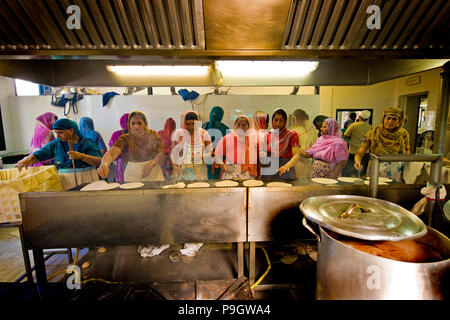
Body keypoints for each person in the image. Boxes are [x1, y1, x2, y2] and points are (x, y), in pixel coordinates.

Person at [17, 118, 102, 190]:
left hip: (86, 178)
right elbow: (39, 155)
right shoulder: (56, 144)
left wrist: (82, 156)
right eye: (56, 133)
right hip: (63, 180)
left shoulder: (86, 143)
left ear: (71, 130)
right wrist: (26, 160)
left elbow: (99, 161)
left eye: (61, 133)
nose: (58, 136)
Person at [97, 111, 165, 182]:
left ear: (145, 123)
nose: (136, 126)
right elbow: (111, 153)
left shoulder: (153, 135)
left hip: (154, 173)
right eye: (133, 123)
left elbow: (161, 152)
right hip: (133, 174)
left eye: (139, 123)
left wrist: (152, 164)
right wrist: (104, 164)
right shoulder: (125, 138)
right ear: (129, 125)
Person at [354, 107, 410, 182]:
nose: (390, 121)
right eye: (388, 118)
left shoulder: (403, 134)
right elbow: (361, 150)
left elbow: (407, 153)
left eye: (394, 119)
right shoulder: (374, 132)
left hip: (394, 170)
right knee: (373, 189)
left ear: (399, 121)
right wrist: (357, 161)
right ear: (383, 119)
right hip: (375, 166)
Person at [215, 115, 259, 180]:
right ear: (234, 125)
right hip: (230, 172)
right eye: (238, 124)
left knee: (246, 190)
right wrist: (223, 167)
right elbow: (217, 155)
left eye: (244, 125)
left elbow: (258, 160)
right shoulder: (227, 139)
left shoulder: (253, 141)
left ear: (248, 127)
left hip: (247, 174)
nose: (240, 127)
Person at [172, 110, 212, 181]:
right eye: (188, 124)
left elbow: (211, 153)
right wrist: (174, 166)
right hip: (183, 173)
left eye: (193, 124)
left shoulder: (203, 134)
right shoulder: (179, 134)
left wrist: (202, 156)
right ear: (184, 123)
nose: (191, 127)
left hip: (199, 173)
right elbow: (173, 153)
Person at [262, 108, 301, 180]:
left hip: (285, 172)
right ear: (272, 121)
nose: (278, 124)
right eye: (276, 120)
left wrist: (286, 166)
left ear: (285, 121)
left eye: (281, 121)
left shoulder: (292, 135)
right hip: (269, 172)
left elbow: (297, 155)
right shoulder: (267, 135)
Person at [342, 110, 372, 177]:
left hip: (353, 151)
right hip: (365, 153)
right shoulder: (371, 127)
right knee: (362, 171)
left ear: (360, 117)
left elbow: (345, 135)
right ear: (367, 119)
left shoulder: (353, 125)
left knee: (351, 171)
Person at [202, 106, 229, 179]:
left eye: (217, 116)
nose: (214, 118)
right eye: (213, 115)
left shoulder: (225, 128)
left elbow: (228, 147)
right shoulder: (204, 126)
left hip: (220, 160)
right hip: (206, 159)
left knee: (218, 181)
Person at [289, 109, 317, 179]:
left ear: (294, 118)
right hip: (310, 163)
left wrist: (300, 151)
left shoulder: (294, 131)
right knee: (307, 184)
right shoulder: (312, 130)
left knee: (298, 185)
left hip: (298, 163)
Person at [108, 113, 129, 183]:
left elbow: (110, 150)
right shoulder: (135, 134)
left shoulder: (116, 134)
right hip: (132, 162)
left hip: (119, 162)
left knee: (121, 184)